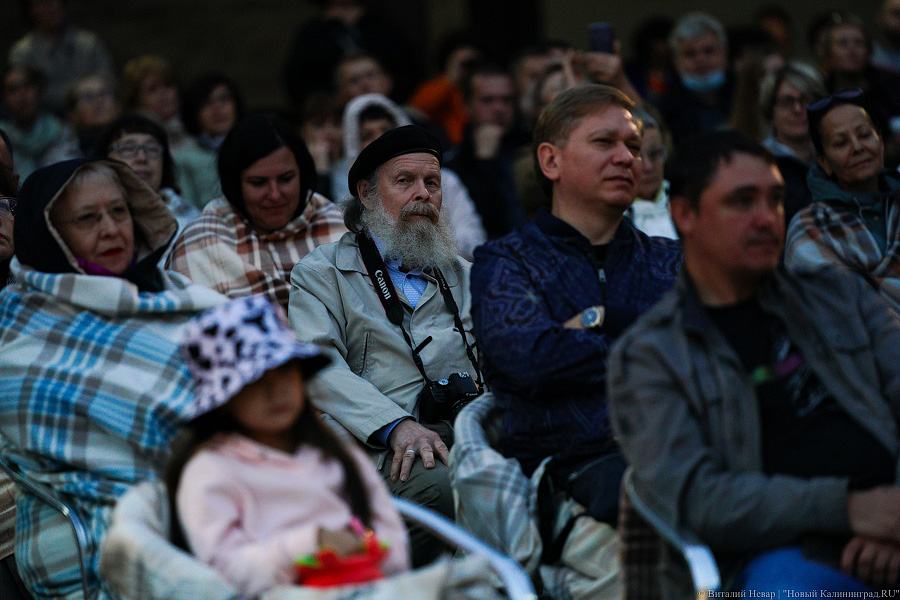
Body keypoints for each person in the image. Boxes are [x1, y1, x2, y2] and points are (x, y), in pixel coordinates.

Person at [609, 129, 900, 593]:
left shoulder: (839, 295)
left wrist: (891, 519)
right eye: (743, 202)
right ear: (684, 214)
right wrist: (850, 509)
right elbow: (700, 499)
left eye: (776, 200)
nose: (768, 218)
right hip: (780, 554)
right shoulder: (651, 355)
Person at [0, 157, 225, 600]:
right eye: (87, 218)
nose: (110, 229)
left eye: (119, 211)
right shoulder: (21, 340)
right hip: (94, 543)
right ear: (49, 234)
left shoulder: (180, 297)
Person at [470, 85, 681, 523]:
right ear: (551, 161)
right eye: (604, 142)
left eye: (634, 147)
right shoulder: (506, 262)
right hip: (568, 480)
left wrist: (601, 320)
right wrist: (660, 345)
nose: (628, 159)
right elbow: (533, 360)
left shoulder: (673, 260)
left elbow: (713, 347)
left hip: (683, 454)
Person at [289, 125, 483, 566]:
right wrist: (395, 425)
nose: (422, 194)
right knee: (438, 488)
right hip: (380, 444)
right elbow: (316, 366)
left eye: (432, 182)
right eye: (404, 181)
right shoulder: (321, 273)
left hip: (469, 431)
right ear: (367, 193)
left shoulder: (466, 275)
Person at [168, 295, 409, 597]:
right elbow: (223, 570)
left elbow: (392, 539)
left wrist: (368, 555)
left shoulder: (337, 455)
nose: (275, 390)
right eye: (255, 380)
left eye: (284, 370)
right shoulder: (210, 471)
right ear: (224, 400)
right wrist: (311, 543)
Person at [168, 114, 346, 309]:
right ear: (234, 185)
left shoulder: (338, 229)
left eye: (286, 179)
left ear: (302, 175)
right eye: (258, 183)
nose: (275, 194)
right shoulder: (200, 245)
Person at [785, 90, 900, 316]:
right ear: (824, 163)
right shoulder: (810, 227)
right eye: (841, 143)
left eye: (865, 135)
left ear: (880, 142)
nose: (857, 147)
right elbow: (823, 310)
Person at [331, 93, 486, 260]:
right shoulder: (343, 185)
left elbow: (473, 240)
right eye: (367, 136)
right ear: (365, 193)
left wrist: (429, 245)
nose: (424, 193)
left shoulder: (446, 180)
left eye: (386, 131)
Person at [445, 66, 529, 239]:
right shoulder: (452, 162)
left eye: (506, 100)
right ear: (466, 105)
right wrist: (484, 163)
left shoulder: (534, 148)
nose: (499, 108)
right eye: (487, 100)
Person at [94, 114, 199, 232]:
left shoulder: (193, 220)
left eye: (152, 149)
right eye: (128, 148)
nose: (142, 157)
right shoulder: (91, 220)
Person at [8, 0, 114, 115]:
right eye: (41, 3)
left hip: (91, 115)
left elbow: (109, 84)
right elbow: (20, 95)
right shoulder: (23, 53)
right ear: (31, 10)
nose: (50, 7)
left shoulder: (89, 44)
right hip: (44, 119)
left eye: (54, 1)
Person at [758, 63, 827, 224]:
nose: (797, 109)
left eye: (806, 99)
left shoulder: (836, 157)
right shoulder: (759, 163)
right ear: (770, 111)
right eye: (786, 101)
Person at [654, 12, 735, 145]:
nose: (700, 59)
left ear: (724, 54)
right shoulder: (662, 110)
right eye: (690, 54)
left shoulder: (746, 96)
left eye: (708, 51)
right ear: (676, 61)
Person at [175, 73, 244, 209]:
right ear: (194, 112)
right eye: (206, 102)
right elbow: (187, 209)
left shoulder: (255, 148)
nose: (217, 107)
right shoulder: (183, 159)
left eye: (224, 99)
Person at [0, 65, 79, 179]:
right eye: (13, 89)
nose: (22, 95)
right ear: (5, 99)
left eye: (27, 86)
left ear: (38, 91)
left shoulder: (61, 132)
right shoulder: (2, 140)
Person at [120, 55, 188, 152]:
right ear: (136, 99)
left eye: (168, 85)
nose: (163, 93)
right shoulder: (134, 143)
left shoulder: (195, 126)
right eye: (152, 89)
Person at [627, 108, 677, 239]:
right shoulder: (607, 218)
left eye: (654, 154)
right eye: (637, 157)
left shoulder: (688, 202)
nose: (648, 167)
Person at [64, 73, 121, 157]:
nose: (98, 101)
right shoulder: (64, 153)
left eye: (104, 94)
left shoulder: (138, 143)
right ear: (72, 114)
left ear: (118, 105)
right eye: (88, 97)